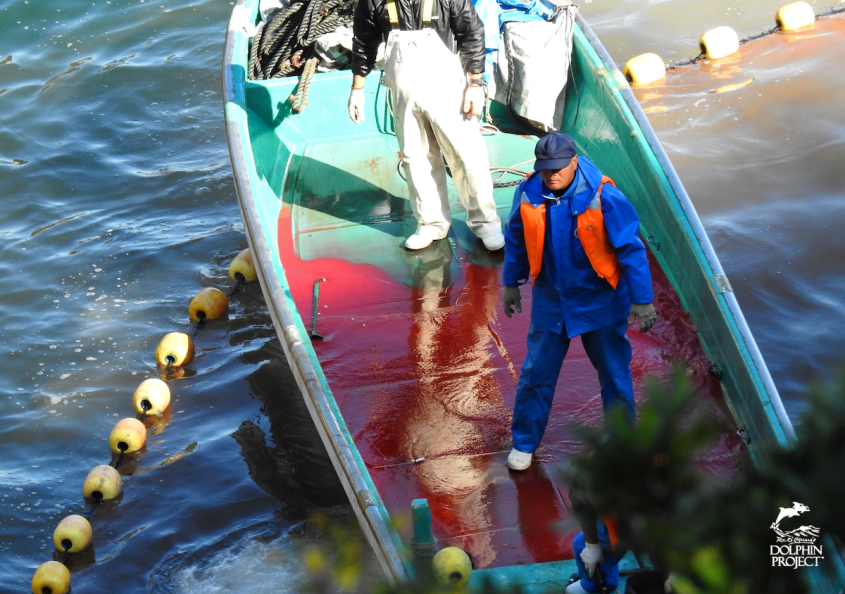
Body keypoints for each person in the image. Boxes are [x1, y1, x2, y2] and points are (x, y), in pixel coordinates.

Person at [502, 132, 657, 471]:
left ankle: (622, 443)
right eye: (545, 169)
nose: (551, 175)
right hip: (551, 300)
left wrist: (642, 300)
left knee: (615, 374)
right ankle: (524, 442)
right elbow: (515, 237)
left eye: (558, 168)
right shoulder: (528, 192)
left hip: (600, 300)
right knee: (536, 373)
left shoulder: (605, 196)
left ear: (574, 162)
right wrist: (510, 282)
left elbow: (631, 248)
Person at [348, 0, 504, 251]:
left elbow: (472, 33)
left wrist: (475, 84)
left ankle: (486, 223)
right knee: (416, 158)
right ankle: (431, 223)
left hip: (449, 92)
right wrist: (357, 89)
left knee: (466, 157)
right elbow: (364, 41)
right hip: (405, 95)